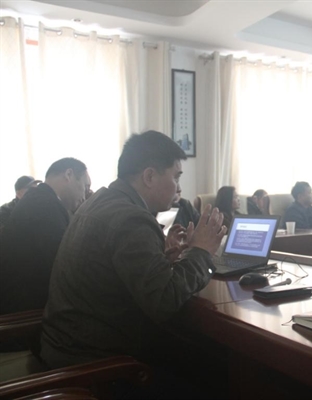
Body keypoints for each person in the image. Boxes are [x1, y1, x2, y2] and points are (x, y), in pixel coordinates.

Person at [40, 131, 226, 370]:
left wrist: (160, 260)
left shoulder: (101, 201)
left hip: (65, 346)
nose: (178, 187)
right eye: (176, 177)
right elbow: (164, 302)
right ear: (149, 176)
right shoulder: (131, 218)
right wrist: (201, 251)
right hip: (96, 365)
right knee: (215, 362)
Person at [0, 159, 90, 315]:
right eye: (85, 186)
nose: (85, 196)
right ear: (68, 175)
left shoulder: (39, 199)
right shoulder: (45, 206)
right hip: (25, 311)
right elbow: (65, 266)